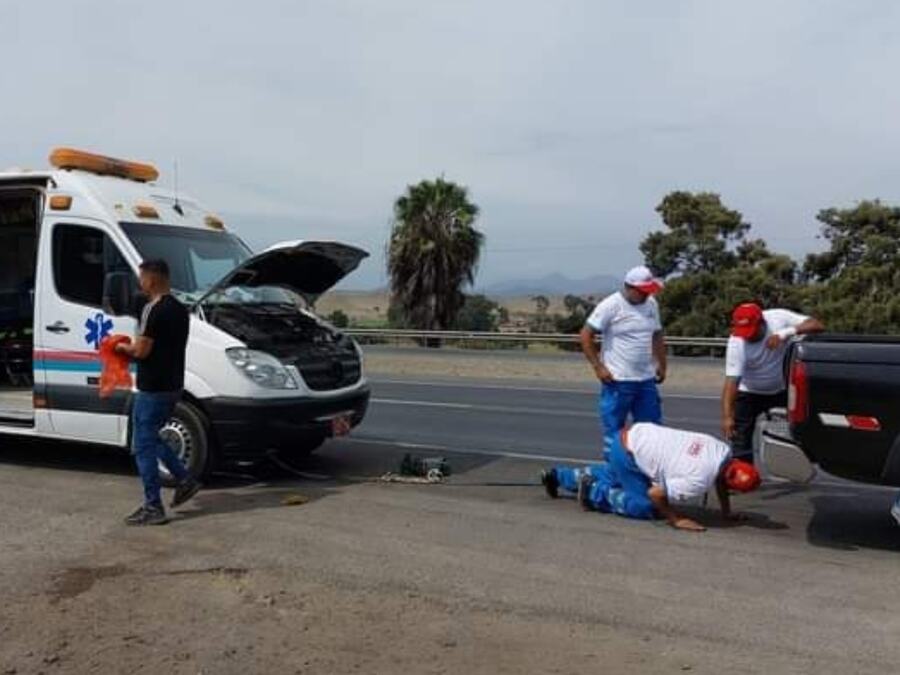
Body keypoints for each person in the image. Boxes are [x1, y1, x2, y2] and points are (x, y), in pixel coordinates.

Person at [541, 422, 761, 532]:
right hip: (632, 455)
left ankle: (558, 476)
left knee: (613, 473)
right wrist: (676, 519)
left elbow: (722, 478)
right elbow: (656, 494)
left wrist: (726, 512)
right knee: (646, 507)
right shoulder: (700, 480)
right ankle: (595, 493)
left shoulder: (722, 450)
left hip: (634, 435)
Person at [116, 259, 200, 525]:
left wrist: (120, 348)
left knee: (143, 447)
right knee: (152, 437)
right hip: (173, 385)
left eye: (141, 278)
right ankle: (185, 479)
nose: (140, 284)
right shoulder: (179, 309)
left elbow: (142, 351)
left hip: (152, 387)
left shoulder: (153, 309)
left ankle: (153, 506)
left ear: (151, 279)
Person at [580, 265, 667, 458]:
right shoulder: (610, 305)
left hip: (645, 379)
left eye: (648, 291)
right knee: (615, 431)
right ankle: (613, 475)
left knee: (652, 430)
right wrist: (598, 367)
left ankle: (647, 472)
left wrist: (661, 362)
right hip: (618, 380)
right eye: (642, 292)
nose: (646, 295)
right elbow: (586, 335)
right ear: (629, 287)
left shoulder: (652, 304)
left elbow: (657, 334)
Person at [722, 303, 824, 462]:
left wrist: (785, 334)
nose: (748, 337)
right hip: (748, 392)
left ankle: (795, 466)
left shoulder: (778, 318)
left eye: (752, 332)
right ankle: (745, 475)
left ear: (762, 323)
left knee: (798, 429)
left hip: (781, 390)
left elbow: (817, 325)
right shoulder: (736, 342)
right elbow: (731, 382)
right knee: (740, 438)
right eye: (744, 333)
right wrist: (727, 416)